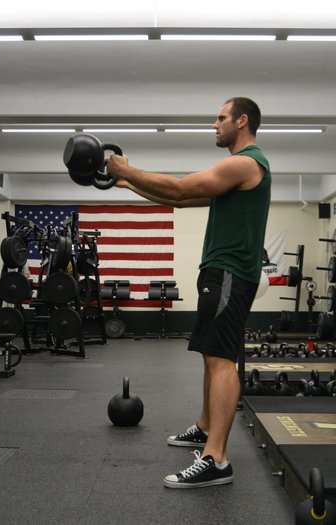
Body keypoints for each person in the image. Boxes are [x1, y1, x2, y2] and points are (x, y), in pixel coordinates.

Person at [107, 97, 271, 489]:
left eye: (220, 118)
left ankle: (216, 458)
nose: (214, 125)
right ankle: (205, 427)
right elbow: (177, 199)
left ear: (242, 121)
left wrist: (129, 168)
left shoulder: (246, 162)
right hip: (219, 271)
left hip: (230, 272)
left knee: (221, 360)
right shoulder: (236, 173)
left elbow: (180, 188)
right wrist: (130, 182)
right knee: (211, 355)